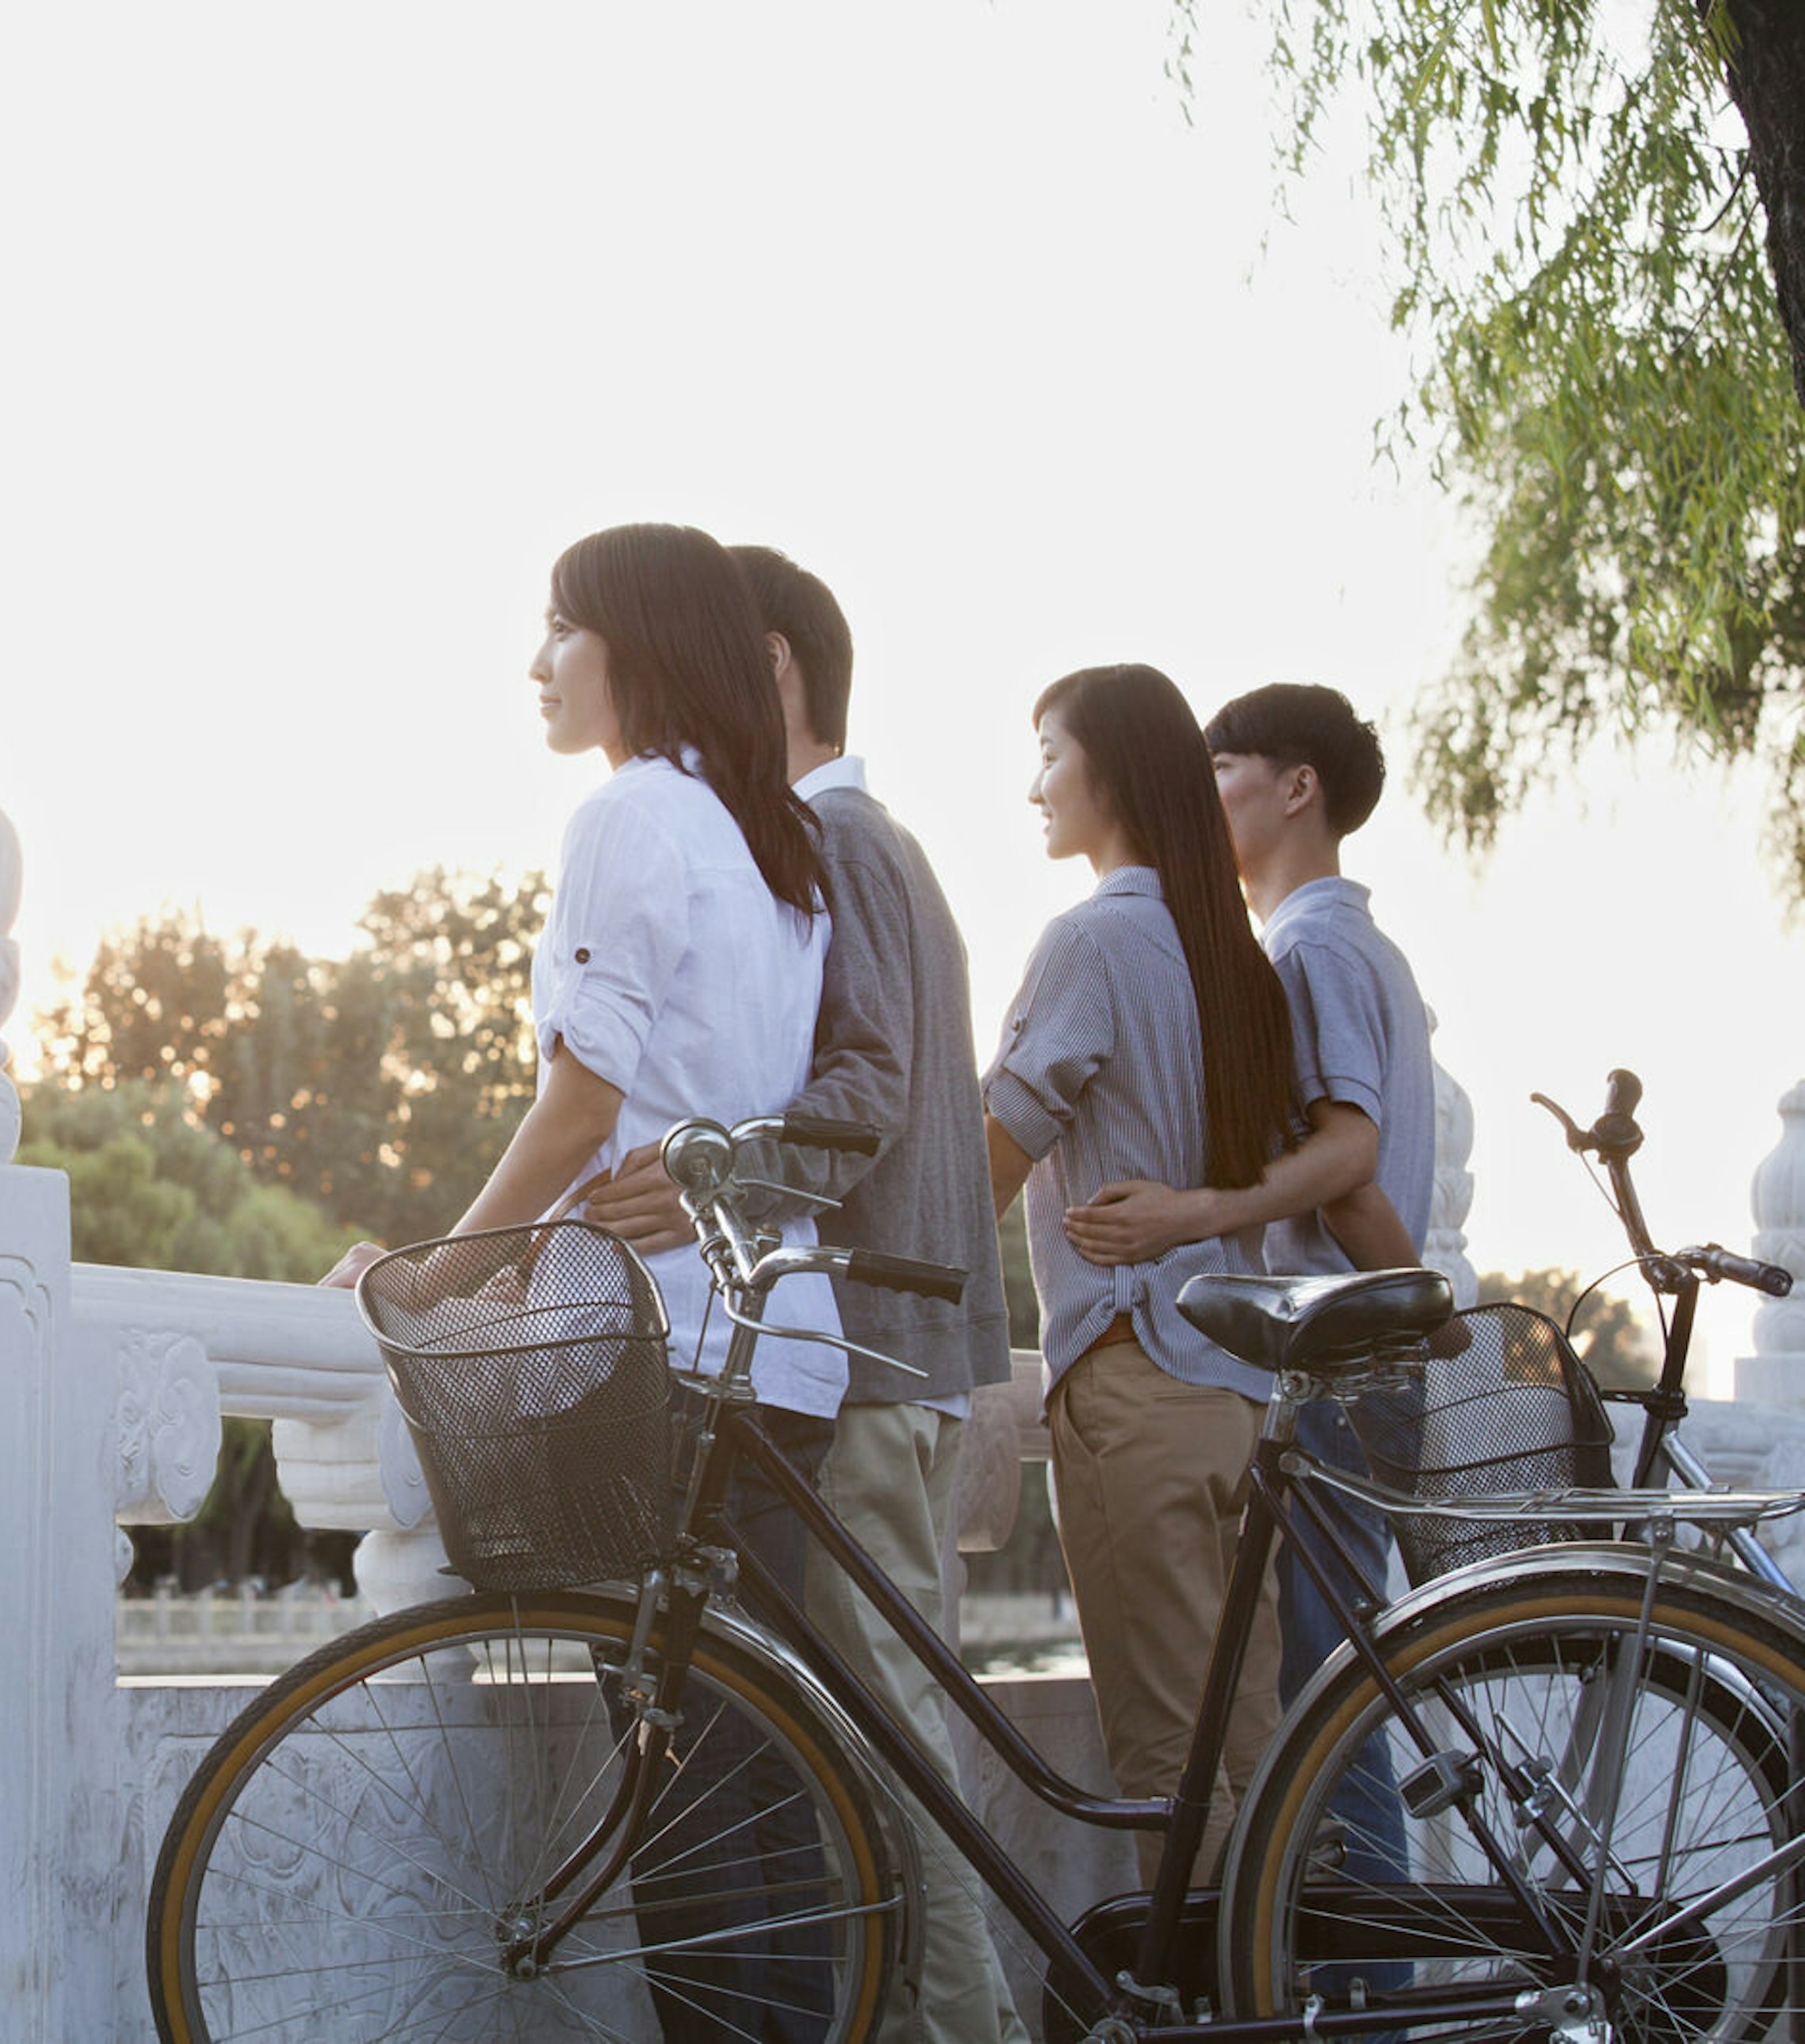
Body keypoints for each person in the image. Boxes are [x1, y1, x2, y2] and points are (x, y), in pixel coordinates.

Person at [325, 521, 842, 2038]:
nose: (538, 664)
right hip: (786, 1343)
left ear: (635, 644)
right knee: (762, 1790)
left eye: (560, 628)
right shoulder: (775, 848)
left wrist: (449, 1262)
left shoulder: (630, 815)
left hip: (665, 1355)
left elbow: (579, 1093)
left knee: (682, 1801)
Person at [590, 544, 1023, 2044]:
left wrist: (717, 1168)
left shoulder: (838, 842)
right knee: (857, 1767)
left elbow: (872, 1092)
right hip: (896, 1361)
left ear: (768, 665)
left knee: (904, 1776)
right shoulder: (840, 846)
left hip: (874, 1366)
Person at [1060, 681, 1432, 1896]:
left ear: (1296, 786)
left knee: (1322, 1716)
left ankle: (1365, 2001)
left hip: (1327, 1360)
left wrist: (1198, 1213)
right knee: (1315, 1713)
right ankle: (1339, 1985)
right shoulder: (1364, 944)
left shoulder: (1309, 946)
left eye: (1224, 767)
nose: (1203, 792)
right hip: (1363, 1360)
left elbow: (1348, 1160)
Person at [983, 662, 1296, 1881]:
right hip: (1235, 1396)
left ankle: (1210, 2014)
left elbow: (986, 1164)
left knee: (1171, 1772)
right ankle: (1281, 1999)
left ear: (1107, 768)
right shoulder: (1234, 955)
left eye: (1049, 755)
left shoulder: (1093, 939)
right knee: (1261, 1760)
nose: (1034, 788)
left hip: (1130, 1378)